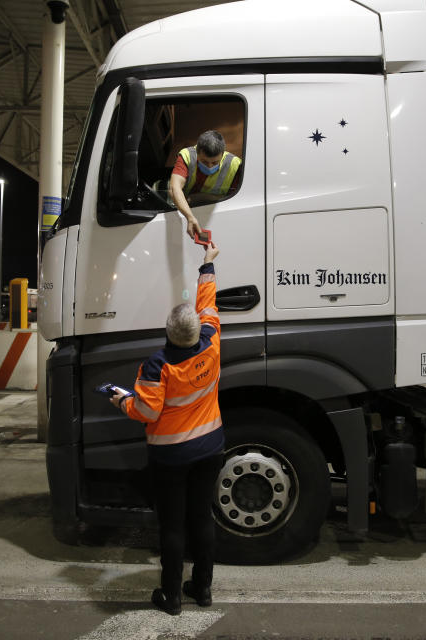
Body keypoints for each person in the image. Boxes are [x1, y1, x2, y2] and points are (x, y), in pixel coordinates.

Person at [110, 240, 224, 615]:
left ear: (169, 332)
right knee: (202, 517)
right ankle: (203, 590)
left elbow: (144, 410)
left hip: (171, 457)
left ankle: (171, 596)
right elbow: (207, 304)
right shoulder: (211, 344)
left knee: (173, 526)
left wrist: (120, 400)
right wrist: (207, 264)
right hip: (209, 448)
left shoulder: (157, 367)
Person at [169, 130, 242, 240]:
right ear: (197, 151)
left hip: (220, 218)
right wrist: (190, 217)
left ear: (223, 154)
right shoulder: (187, 156)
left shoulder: (235, 165)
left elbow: (237, 200)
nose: (209, 166)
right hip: (187, 215)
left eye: (214, 162)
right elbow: (174, 188)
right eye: (204, 161)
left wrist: (198, 198)